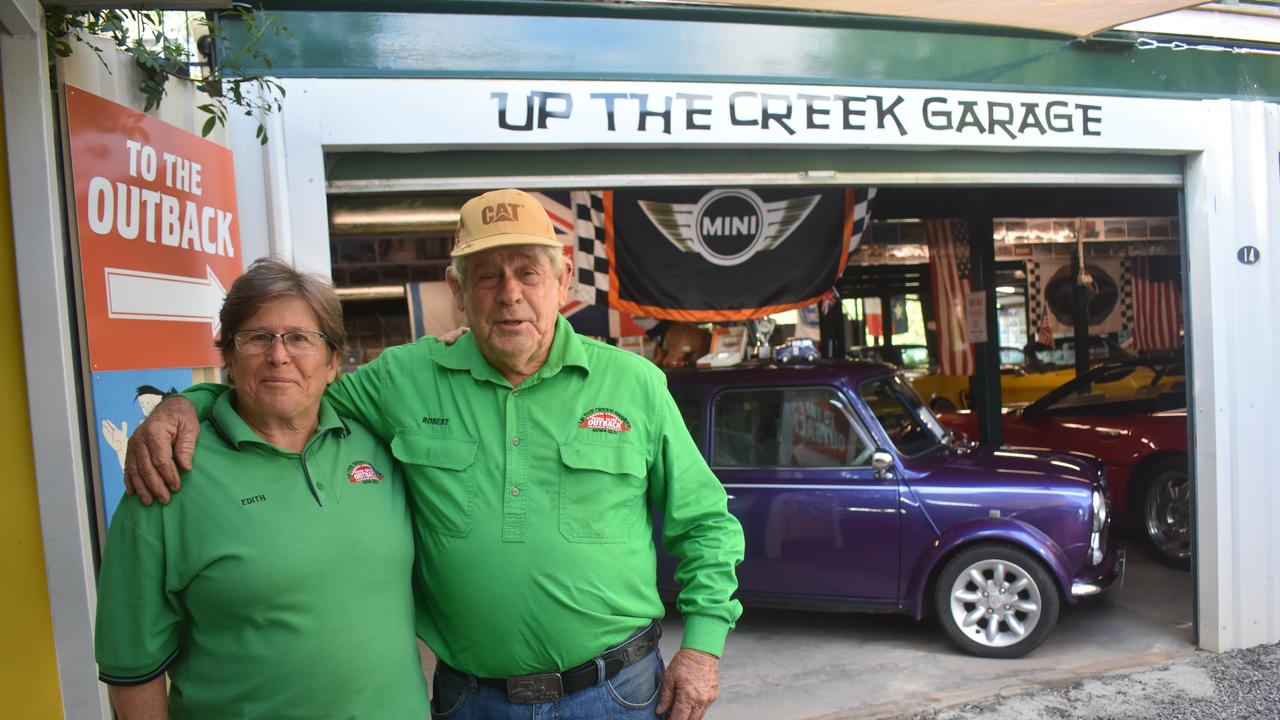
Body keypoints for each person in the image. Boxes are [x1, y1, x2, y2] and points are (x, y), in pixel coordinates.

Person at [125, 188, 745, 720]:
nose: (509, 295)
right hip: (470, 700)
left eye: (528, 271)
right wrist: (191, 402)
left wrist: (702, 648)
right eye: (486, 275)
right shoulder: (403, 379)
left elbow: (706, 522)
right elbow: (291, 385)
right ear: (457, 289)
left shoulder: (634, 384)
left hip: (615, 693)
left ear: (562, 282)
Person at [96, 259, 429, 719]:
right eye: (257, 337)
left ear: (333, 361)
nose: (279, 356)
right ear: (227, 358)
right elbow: (132, 667)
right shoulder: (167, 474)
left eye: (300, 338)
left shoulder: (381, 447)